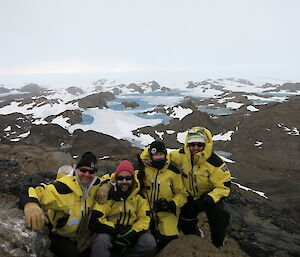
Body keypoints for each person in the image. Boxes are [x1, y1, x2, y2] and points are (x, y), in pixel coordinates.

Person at [21, 152, 101, 257]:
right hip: (57, 235)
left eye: (91, 172)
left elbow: (114, 179)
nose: (87, 174)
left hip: (80, 237)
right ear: (76, 170)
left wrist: (106, 187)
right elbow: (33, 189)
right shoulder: (63, 187)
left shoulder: (97, 185)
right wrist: (31, 205)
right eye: (83, 170)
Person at [169, 127, 231, 248]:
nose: (196, 148)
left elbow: (224, 185)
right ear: (188, 145)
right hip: (191, 196)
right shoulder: (182, 155)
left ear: (205, 145)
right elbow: (163, 156)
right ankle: (197, 236)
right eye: (192, 144)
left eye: (199, 144)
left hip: (209, 196)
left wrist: (210, 198)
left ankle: (218, 244)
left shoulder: (215, 162)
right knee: (185, 223)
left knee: (218, 216)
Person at [89, 160, 156, 257]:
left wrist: (131, 232)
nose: (124, 182)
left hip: (132, 232)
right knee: (101, 240)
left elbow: (145, 219)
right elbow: (96, 219)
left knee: (149, 242)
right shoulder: (107, 195)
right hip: (111, 231)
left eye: (128, 178)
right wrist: (116, 230)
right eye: (120, 178)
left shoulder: (139, 197)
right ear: (116, 179)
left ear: (133, 179)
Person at [138, 141, 187, 249]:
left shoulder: (173, 172)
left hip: (166, 211)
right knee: (138, 237)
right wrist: (106, 185)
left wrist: (172, 204)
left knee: (170, 239)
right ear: (151, 156)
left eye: (161, 154)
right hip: (143, 211)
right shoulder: (143, 169)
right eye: (155, 155)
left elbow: (182, 194)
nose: (159, 157)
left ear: (165, 154)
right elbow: (123, 177)